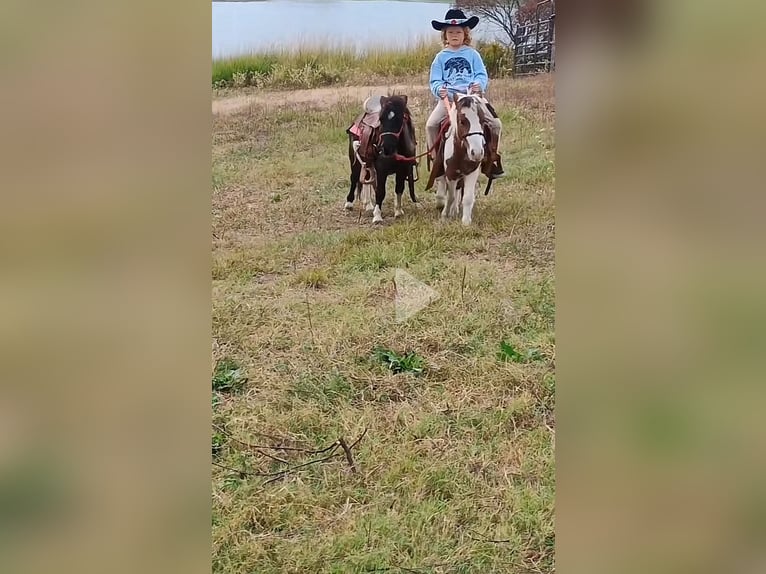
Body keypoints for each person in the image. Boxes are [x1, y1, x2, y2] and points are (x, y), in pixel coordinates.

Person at [426, 8, 505, 178]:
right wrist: (439, 89)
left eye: (458, 32)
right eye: (450, 32)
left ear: (465, 34)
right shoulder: (440, 57)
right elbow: (435, 80)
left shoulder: (473, 54)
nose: (455, 35)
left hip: (472, 98)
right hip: (450, 99)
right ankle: (436, 159)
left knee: (496, 123)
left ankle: (491, 157)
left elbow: (481, 74)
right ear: (445, 35)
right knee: (431, 125)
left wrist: (479, 85)